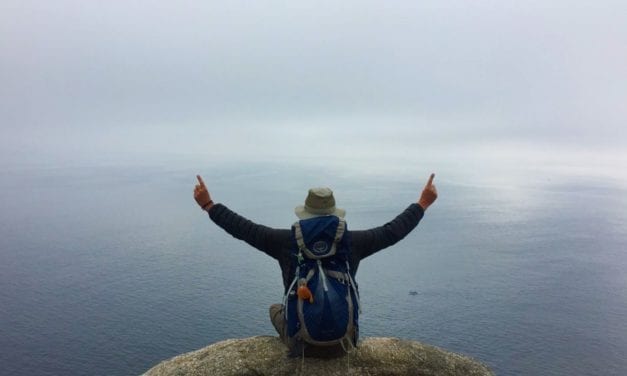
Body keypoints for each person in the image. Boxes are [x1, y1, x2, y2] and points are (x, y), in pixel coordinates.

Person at [193, 173, 438, 356]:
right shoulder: (352, 242)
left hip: (301, 344)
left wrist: (209, 205)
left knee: (274, 308)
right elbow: (393, 231)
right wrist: (422, 203)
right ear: (334, 213)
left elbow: (243, 228)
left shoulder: (285, 242)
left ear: (305, 213)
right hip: (344, 343)